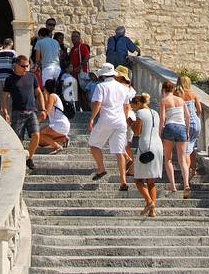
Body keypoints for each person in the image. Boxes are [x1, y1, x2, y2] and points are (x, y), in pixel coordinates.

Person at [88, 61, 135, 191]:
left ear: (103, 75)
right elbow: (126, 106)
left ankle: (101, 168)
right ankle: (123, 181)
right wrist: (125, 120)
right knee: (120, 152)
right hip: (120, 120)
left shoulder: (101, 87)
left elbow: (98, 104)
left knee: (93, 144)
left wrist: (92, 119)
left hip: (106, 119)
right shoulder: (123, 87)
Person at [2, 54, 46, 171]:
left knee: (36, 135)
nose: (26, 68)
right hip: (17, 112)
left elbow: (39, 93)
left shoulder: (32, 77)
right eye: (23, 66)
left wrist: (43, 109)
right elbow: (5, 97)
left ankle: (29, 158)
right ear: (16, 66)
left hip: (32, 111)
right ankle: (18, 160)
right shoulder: (10, 79)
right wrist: (5, 112)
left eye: (27, 66)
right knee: (18, 139)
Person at [129, 93, 163, 217]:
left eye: (133, 104)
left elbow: (137, 132)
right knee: (151, 181)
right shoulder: (155, 113)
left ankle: (149, 202)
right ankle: (152, 210)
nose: (133, 107)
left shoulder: (140, 113)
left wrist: (130, 123)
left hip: (145, 146)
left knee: (138, 180)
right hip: (158, 145)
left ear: (138, 103)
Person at [159, 80, 191, 195]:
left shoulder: (164, 101)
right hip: (181, 127)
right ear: (173, 90)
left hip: (170, 126)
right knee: (182, 158)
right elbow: (187, 116)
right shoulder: (181, 100)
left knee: (168, 159)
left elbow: (162, 118)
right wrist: (187, 131)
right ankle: (186, 183)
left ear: (163, 90)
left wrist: (160, 132)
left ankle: (173, 186)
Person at [177, 73, 204, 180]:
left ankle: (186, 173)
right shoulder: (193, 94)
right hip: (195, 123)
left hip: (184, 123)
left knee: (185, 149)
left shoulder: (177, 94)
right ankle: (193, 169)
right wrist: (195, 117)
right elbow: (200, 109)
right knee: (191, 146)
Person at [38, 77, 71, 153]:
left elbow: (47, 111)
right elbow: (46, 105)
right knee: (41, 143)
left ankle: (58, 147)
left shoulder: (53, 96)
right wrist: (45, 94)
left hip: (60, 123)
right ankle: (63, 139)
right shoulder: (52, 96)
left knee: (39, 134)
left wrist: (37, 121)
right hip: (60, 124)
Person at [0, 38, 16, 109]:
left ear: (4, 44)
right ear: (11, 44)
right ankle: (8, 115)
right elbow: (15, 66)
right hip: (8, 78)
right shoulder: (13, 53)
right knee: (8, 98)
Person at [69, 29, 91, 107]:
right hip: (74, 75)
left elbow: (87, 56)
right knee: (76, 95)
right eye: (73, 36)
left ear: (79, 38)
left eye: (76, 36)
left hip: (80, 74)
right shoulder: (72, 49)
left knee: (83, 94)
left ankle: (85, 112)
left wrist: (80, 66)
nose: (74, 38)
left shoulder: (82, 46)